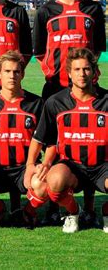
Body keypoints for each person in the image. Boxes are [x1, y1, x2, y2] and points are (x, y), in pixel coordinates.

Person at [24, 48, 107, 233]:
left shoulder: (106, 101)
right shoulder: (55, 102)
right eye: (76, 70)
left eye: (86, 69)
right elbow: (40, 138)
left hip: (103, 167)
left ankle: (106, 212)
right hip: (72, 166)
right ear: (69, 74)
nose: (82, 74)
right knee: (54, 181)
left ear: (94, 72)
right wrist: (31, 164)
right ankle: (74, 212)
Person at [0, 51, 47, 228]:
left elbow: (48, 142)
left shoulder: (36, 104)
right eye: (7, 71)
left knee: (46, 181)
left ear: (23, 74)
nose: (12, 76)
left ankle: (28, 212)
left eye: (16, 72)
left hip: (24, 170)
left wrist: (44, 165)